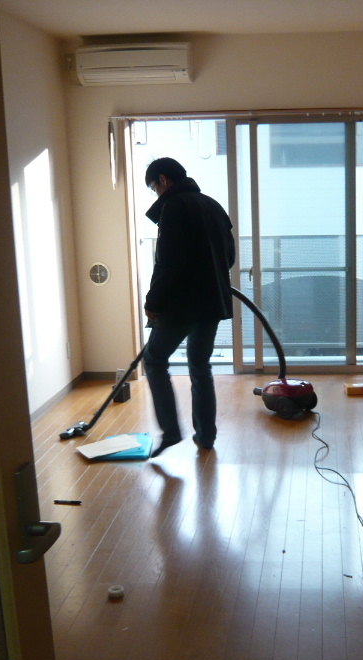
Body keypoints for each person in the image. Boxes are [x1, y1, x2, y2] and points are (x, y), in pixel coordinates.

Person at [141, 157, 235, 457]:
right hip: (211, 303)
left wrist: (153, 302)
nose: (156, 194)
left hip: (181, 306)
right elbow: (229, 257)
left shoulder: (173, 207)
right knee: (200, 365)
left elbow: (168, 262)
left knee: (154, 359)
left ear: (163, 180)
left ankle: (170, 432)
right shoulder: (213, 205)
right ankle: (206, 436)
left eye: (154, 187)